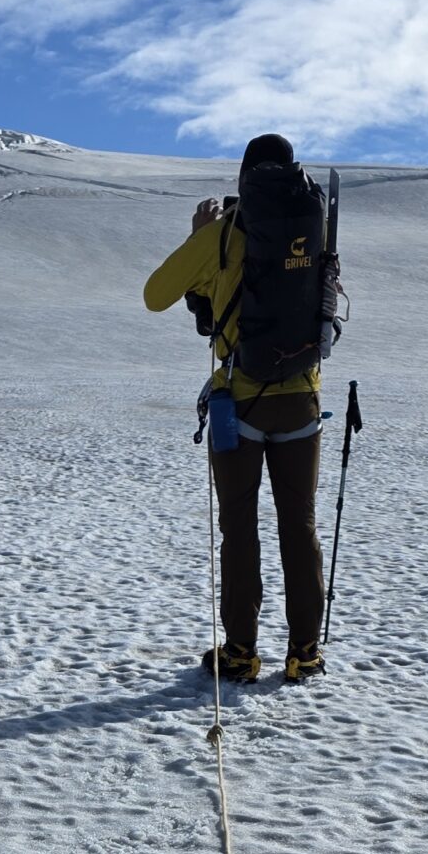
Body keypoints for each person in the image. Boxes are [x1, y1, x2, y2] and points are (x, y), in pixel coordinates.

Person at [143, 132, 328, 685]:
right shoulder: (313, 227)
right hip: (302, 397)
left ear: (244, 177)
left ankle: (242, 653)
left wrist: (200, 240)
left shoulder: (226, 234)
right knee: (299, 526)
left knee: (240, 528)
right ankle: (304, 653)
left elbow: (155, 295)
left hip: (240, 400)